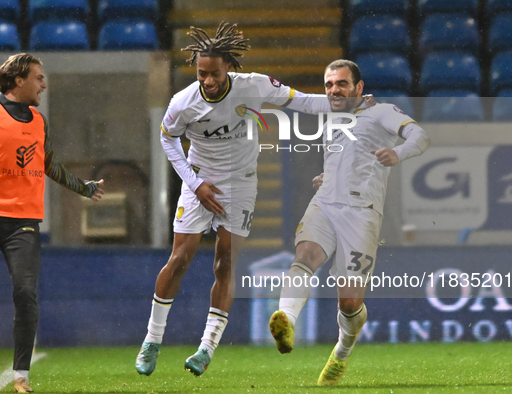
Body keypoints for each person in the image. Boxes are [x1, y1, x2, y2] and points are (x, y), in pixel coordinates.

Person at [135, 22, 333, 377]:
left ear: (228, 66)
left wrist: (344, 102)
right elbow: (167, 139)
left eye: (213, 73)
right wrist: (195, 184)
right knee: (180, 258)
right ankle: (152, 340)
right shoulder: (183, 103)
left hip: (241, 186)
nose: (207, 81)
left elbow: (300, 100)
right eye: (201, 74)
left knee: (225, 262)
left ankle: (206, 348)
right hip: (200, 183)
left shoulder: (254, 85)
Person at [0, 53, 105, 393]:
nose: (44, 84)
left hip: (24, 222)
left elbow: (49, 165)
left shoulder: (38, 120)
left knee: (25, 292)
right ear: (19, 81)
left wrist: (83, 187)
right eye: (39, 77)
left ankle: (22, 376)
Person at [269, 59, 430, 386]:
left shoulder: (382, 111)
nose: (334, 90)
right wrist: (330, 177)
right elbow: (349, 158)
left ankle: (343, 349)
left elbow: (421, 136)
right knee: (305, 256)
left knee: (350, 302)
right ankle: (285, 319)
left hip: (362, 212)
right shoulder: (333, 119)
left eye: (341, 83)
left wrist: (399, 153)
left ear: (358, 87)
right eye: (329, 84)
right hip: (326, 202)